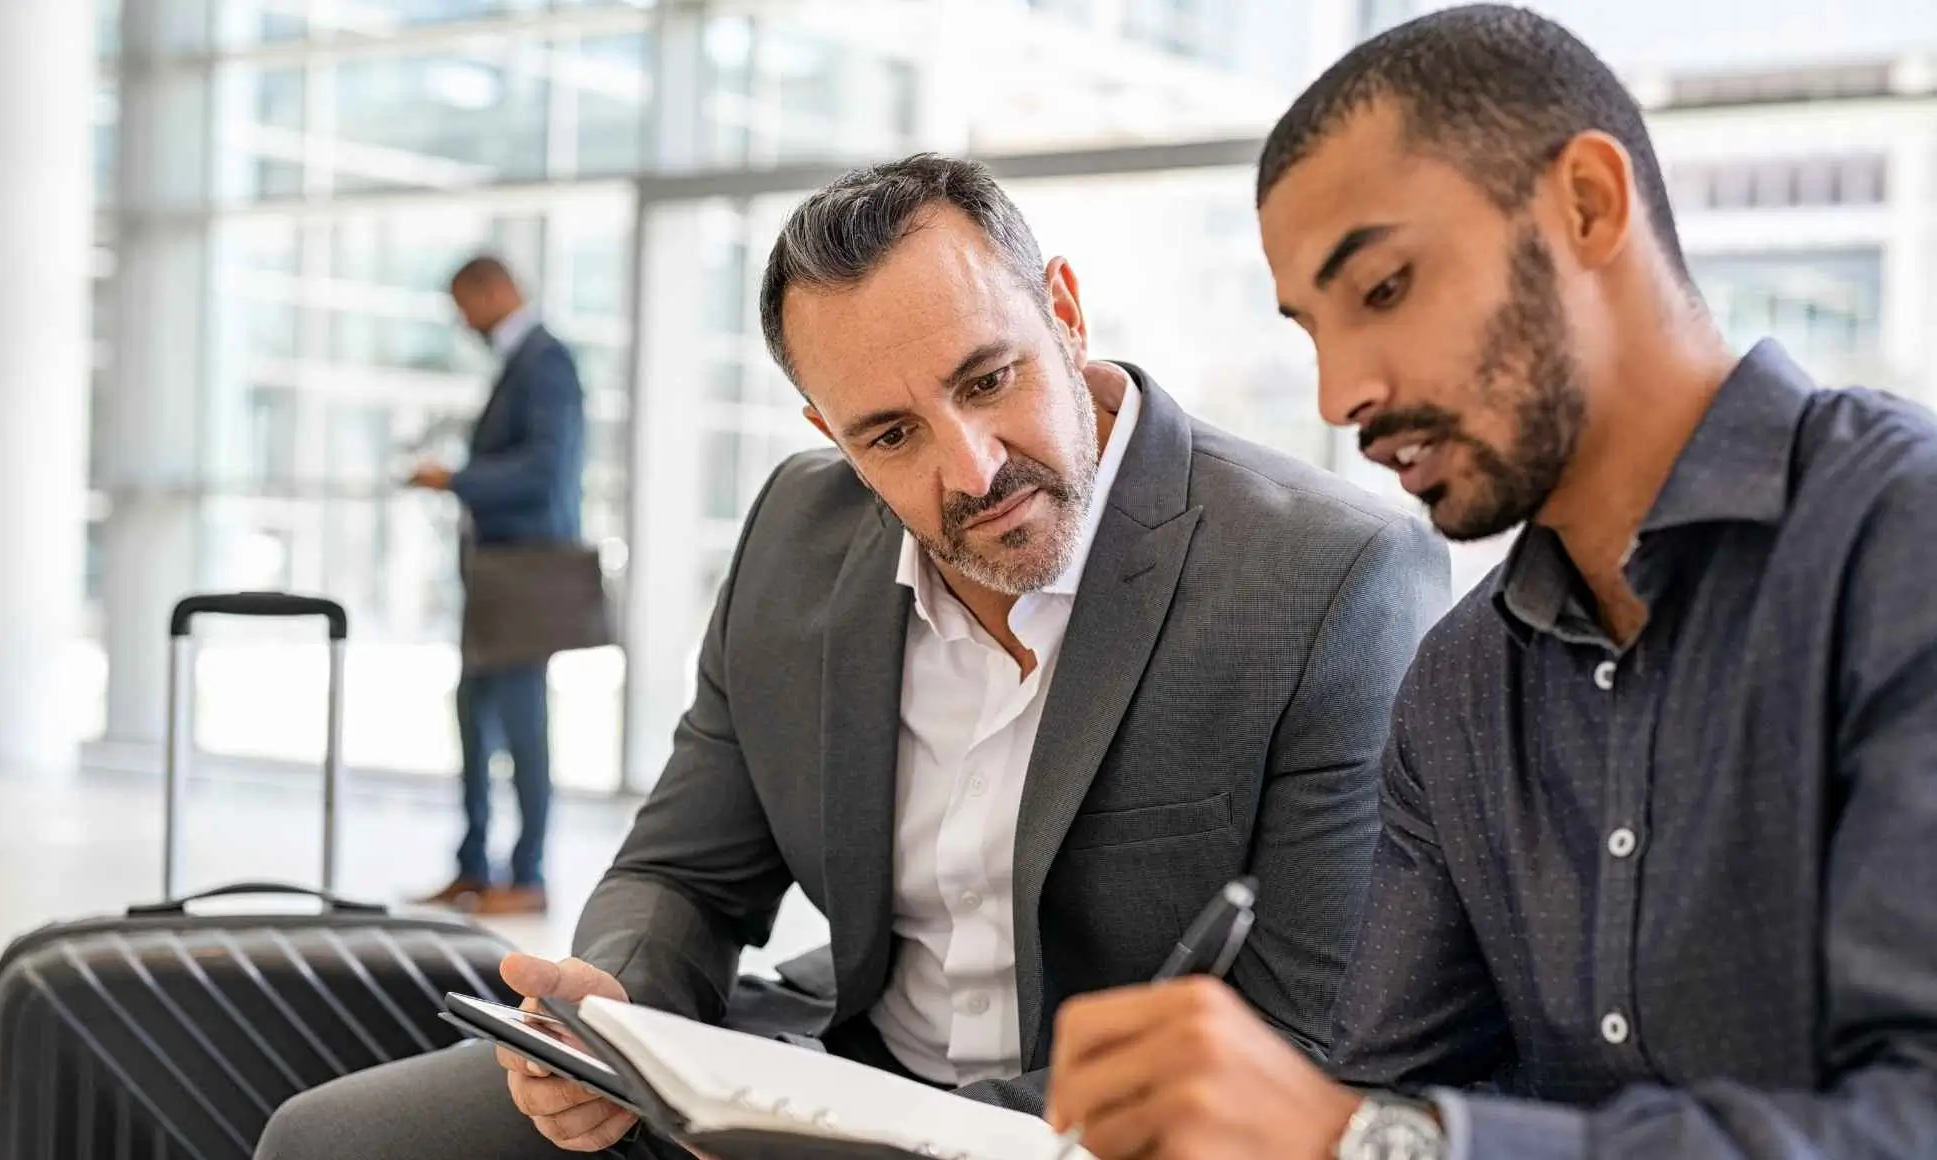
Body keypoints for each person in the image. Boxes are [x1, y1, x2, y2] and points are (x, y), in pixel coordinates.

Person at [254, 155, 1449, 1159]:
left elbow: (1303, 1029)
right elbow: (683, 871)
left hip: (1090, 1133)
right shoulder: (798, 524)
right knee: (329, 1139)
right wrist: (615, 1010)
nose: (973, 468)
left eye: (990, 378)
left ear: (1065, 312)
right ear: (830, 436)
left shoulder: (1325, 577)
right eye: (891, 433)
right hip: (817, 1072)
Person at [1044, 7, 1937, 1160]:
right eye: (1308, 330)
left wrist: (1375, 1134)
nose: (1338, 393)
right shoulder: (1458, 686)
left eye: (1380, 289)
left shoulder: (1898, 543)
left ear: (1586, 206)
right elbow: (1375, 1090)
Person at [408, 255, 587, 918]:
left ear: (494, 290)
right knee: (475, 717)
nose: (463, 320)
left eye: (465, 304)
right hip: (496, 576)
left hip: (525, 573)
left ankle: (528, 875)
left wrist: (455, 479)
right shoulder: (524, 362)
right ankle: (474, 868)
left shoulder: (545, 361)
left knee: (521, 725)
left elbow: (545, 468)